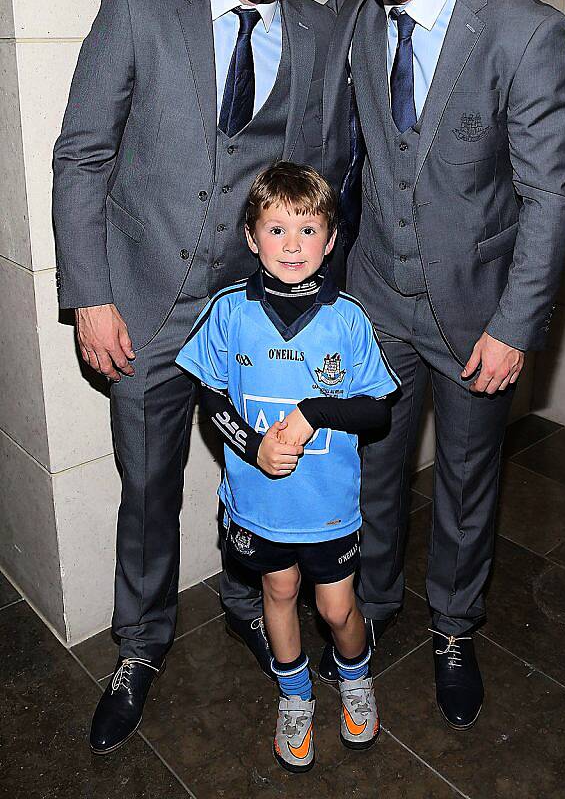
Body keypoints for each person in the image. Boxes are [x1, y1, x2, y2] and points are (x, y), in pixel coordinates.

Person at [153, 0, 565, 732]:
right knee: (369, 472)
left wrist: (515, 326)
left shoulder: (525, 30)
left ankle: (457, 630)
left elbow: (551, 199)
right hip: (376, 301)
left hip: (478, 315)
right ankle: (371, 610)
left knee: (468, 479)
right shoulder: (350, 6)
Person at [52, 0, 344, 755]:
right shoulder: (139, 4)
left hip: (262, 322)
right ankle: (138, 648)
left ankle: (247, 600)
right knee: (147, 490)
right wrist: (90, 296)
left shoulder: (326, 32)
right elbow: (83, 156)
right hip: (144, 309)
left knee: (265, 475)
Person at [176, 162, 397, 772]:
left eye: (307, 231)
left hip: (326, 512)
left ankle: (356, 675)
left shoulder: (348, 318)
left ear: (330, 240)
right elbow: (211, 399)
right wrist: (251, 448)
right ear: (251, 237)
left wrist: (315, 410)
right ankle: (294, 697)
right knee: (278, 592)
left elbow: (377, 412)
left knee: (336, 609)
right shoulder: (229, 312)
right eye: (276, 230)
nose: (292, 246)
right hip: (259, 508)